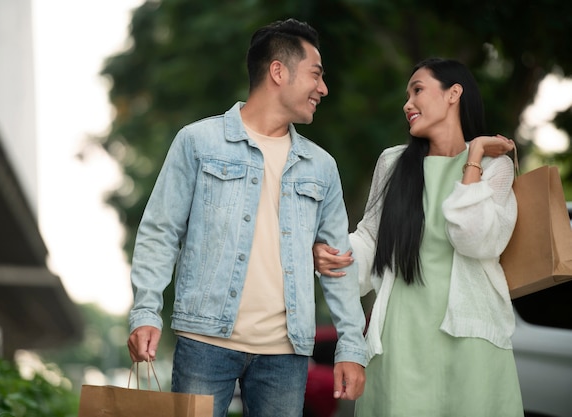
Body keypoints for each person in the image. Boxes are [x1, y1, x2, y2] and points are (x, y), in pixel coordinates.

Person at [126, 18, 367, 417]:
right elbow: (160, 231)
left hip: (286, 354)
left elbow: (338, 263)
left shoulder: (321, 167)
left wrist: (350, 347)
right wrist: (146, 310)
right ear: (278, 71)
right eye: (316, 75)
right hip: (204, 341)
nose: (323, 88)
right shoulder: (198, 142)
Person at [314, 58, 523, 416]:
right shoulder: (393, 163)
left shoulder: (494, 165)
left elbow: (474, 239)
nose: (407, 103)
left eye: (418, 90)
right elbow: (370, 239)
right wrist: (335, 254)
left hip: (471, 341)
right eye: (407, 95)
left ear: (454, 93)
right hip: (401, 339)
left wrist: (473, 158)